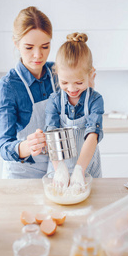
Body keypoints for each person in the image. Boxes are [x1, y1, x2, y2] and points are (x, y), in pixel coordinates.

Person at [0, 6, 57, 179]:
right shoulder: (8, 86)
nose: (38, 55)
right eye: (29, 47)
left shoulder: (57, 73)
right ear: (16, 44)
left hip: (55, 172)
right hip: (21, 176)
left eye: (45, 46)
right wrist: (26, 146)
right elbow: (4, 146)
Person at [45, 32, 104, 187]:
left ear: (91, 74)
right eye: (64, 82)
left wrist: (80, 170)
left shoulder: (95, 100)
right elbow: (51, 134)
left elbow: (93, 135)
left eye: (79, 82)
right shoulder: (54, 101)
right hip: (59, 168)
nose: (71, 89)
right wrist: (60, 170)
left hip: (88, 168)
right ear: (57, 74)